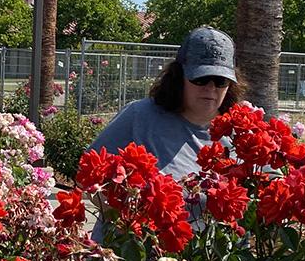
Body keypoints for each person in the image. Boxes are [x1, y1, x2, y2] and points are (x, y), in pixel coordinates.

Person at [88, 26, 242, 180]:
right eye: (200, 78)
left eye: (220, 80)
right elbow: (88, 176)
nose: (210, 87)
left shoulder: (240, 132)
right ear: (178, 77)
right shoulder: (139, 116)